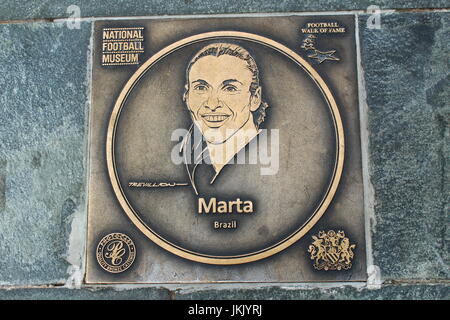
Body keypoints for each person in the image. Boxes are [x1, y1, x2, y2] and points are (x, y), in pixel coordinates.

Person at [180, 42, 270, 195]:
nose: (212, 104)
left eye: (230, 89)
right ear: (187, 97)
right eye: (201, 88)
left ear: (255, 98)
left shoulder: (279, 161)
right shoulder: (189, 158)